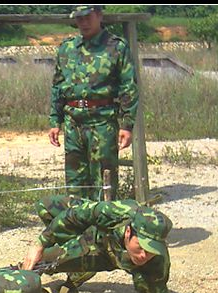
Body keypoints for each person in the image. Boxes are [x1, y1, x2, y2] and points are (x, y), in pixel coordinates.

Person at [22, 195, 172, 293]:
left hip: (102, 255)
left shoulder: (157, 261)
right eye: (140, 246)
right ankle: (72, 245)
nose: (144, 256)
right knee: (45, 205)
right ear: (128, 232)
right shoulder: (116, 212)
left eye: (151, 250)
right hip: (96, 234)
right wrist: (40, 244)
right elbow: (76, 215)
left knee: (46, 261)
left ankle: (81, 263)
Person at [49, 5, 139, 201]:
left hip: (102, 122)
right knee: (75, 184)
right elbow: (58, 86)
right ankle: (79, 219)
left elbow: (128, 87)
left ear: (99, 15)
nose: (84, 23)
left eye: (88, 17)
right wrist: (55, 121)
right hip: (73, 123)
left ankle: (103, 220)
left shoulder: (116, 47)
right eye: (79, 18)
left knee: (103, 183)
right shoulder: (67, 48)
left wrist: (127, 125)